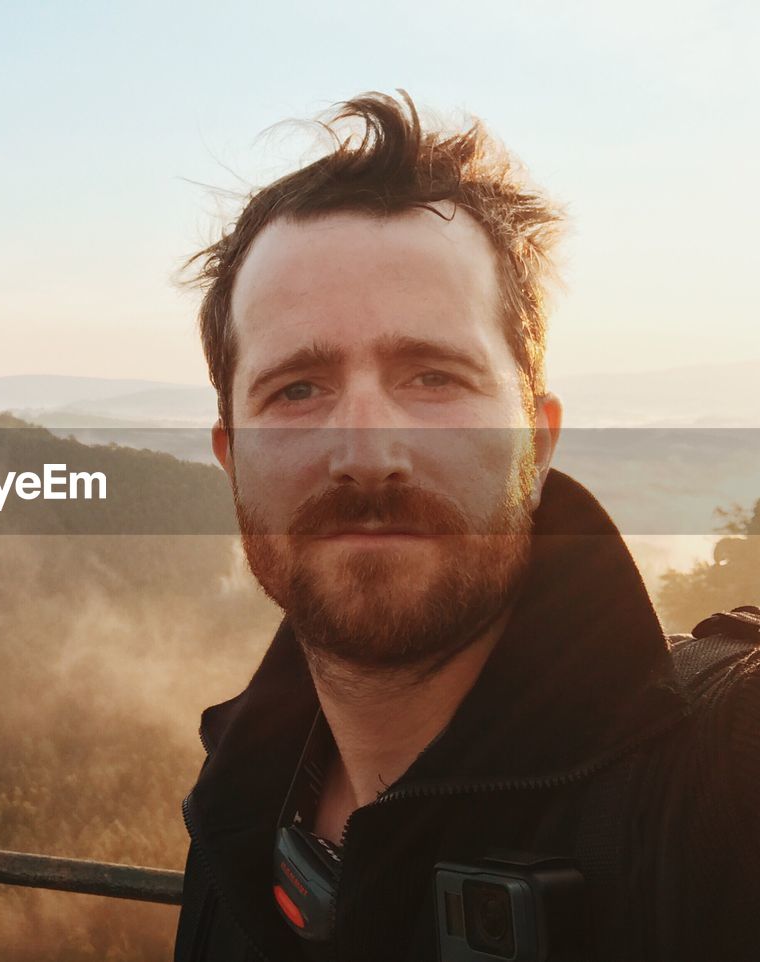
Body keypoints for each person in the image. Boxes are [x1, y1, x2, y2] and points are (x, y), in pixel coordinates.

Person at [172, 91, 760, 961]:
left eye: (434, 377)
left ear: (539, 437)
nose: (367, 455)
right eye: (296, 389)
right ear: (232, 455)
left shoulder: (720, 774)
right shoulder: (236, 820)